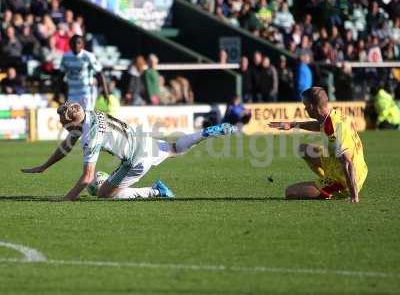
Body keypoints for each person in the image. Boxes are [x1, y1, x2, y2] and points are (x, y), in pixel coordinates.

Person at [21, 102, 236, 201]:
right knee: (174, 149)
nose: (61, 125)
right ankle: (204, 133)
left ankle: (156, 192)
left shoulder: (89, 137)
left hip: (135, 159)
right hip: (143, 140)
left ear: (72, 122)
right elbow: (67, 146)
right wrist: (44, 167)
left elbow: (87, 178)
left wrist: (66, 199)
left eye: (62, 122)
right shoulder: (89, 114)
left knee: (104, 194)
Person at [268, 87, 368, 203]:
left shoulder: (333, 128)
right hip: (355, 168)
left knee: (290, 192)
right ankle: (327, 180)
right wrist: (293, 125)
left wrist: (354, 196)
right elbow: (320, 126)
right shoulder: (334, 115)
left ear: (311, 106)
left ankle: (331, 187)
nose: (305, 109)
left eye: (305, 106)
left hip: (344, 181)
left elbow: (347, 162)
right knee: (303, 149)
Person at [57, 35, 109, 111]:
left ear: (83, 45)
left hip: (86, 92)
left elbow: (100, 73)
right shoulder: (66, 56)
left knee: (86, 117)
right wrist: (57, 92)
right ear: (70, 44)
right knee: (73, 118)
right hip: (72, 92)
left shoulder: (88, 56)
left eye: (78, 43)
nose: (76, 45)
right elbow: (61, 75)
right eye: (73, 43)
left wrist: (105, 92)